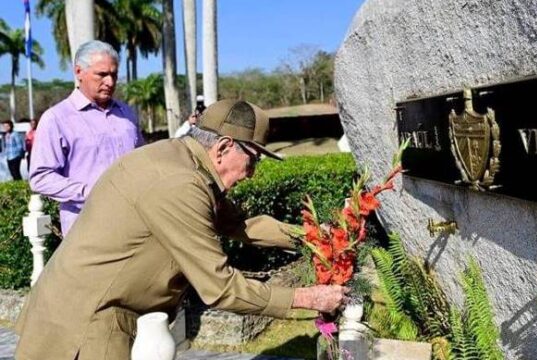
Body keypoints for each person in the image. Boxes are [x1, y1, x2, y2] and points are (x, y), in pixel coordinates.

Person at [15, 99, 349, 360]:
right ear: (222, 148)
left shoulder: (184, 162)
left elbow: (240, 225)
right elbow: (220, 288)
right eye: (253, 160)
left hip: (87, 310)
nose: (252, 173)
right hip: (83, 323)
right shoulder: (179, 183)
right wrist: (305, 297)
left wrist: (317, 236)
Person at [29, 40, 144, 236]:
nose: (110, 82)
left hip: (135, 224)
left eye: (114, 75)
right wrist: (90, 193)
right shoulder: (56, 118)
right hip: (87, 231)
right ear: (78, 72)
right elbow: (40, 177)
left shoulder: (127, 113)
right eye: (102, 74)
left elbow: (142, 161)